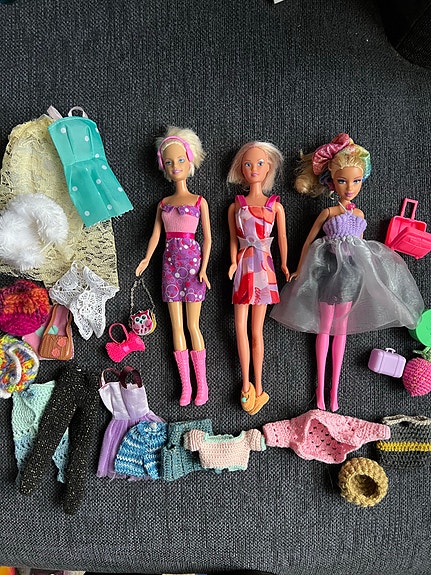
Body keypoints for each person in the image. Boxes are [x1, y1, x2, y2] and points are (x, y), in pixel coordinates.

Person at [271, 133, 424, 412]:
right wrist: (298, 268)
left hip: (352, 277)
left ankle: (334, 390)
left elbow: (363, 249)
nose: (350, 187)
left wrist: (378, 271)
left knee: (340, 330)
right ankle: (320, 388)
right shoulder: (329, 213)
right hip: (328, 272)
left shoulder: (360, 216)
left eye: (356, 181)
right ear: (331, 181)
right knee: (324, 328)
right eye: (342, 181)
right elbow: (308, 242)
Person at [136, 126, 211, 406]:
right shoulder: (164, 203)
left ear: (190, 160)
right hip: (168, 267)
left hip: (193, 268)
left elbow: (208, 238)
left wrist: (204, 268)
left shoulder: (199, 201)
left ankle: (202, 385)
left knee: (193, 325)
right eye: (169, 162)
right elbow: (156, 235)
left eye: (180, 160)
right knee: (175, 327)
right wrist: (146, 258)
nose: (175, 166)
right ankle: (186, 386)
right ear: (163, 166)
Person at [227, 141, 289, 415]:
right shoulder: (236, 205)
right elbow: (233, 239)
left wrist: (285, 264)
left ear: (269, 168)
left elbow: (282, 238)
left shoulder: (275, 206)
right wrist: (232, 262)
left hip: (264, 267)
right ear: (241, 169)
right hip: (243, 267)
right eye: (248, 164)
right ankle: (245, 385)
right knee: (239, 327)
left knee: (256, 331)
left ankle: (260, 387)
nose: (254, 168)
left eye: (260, 163)